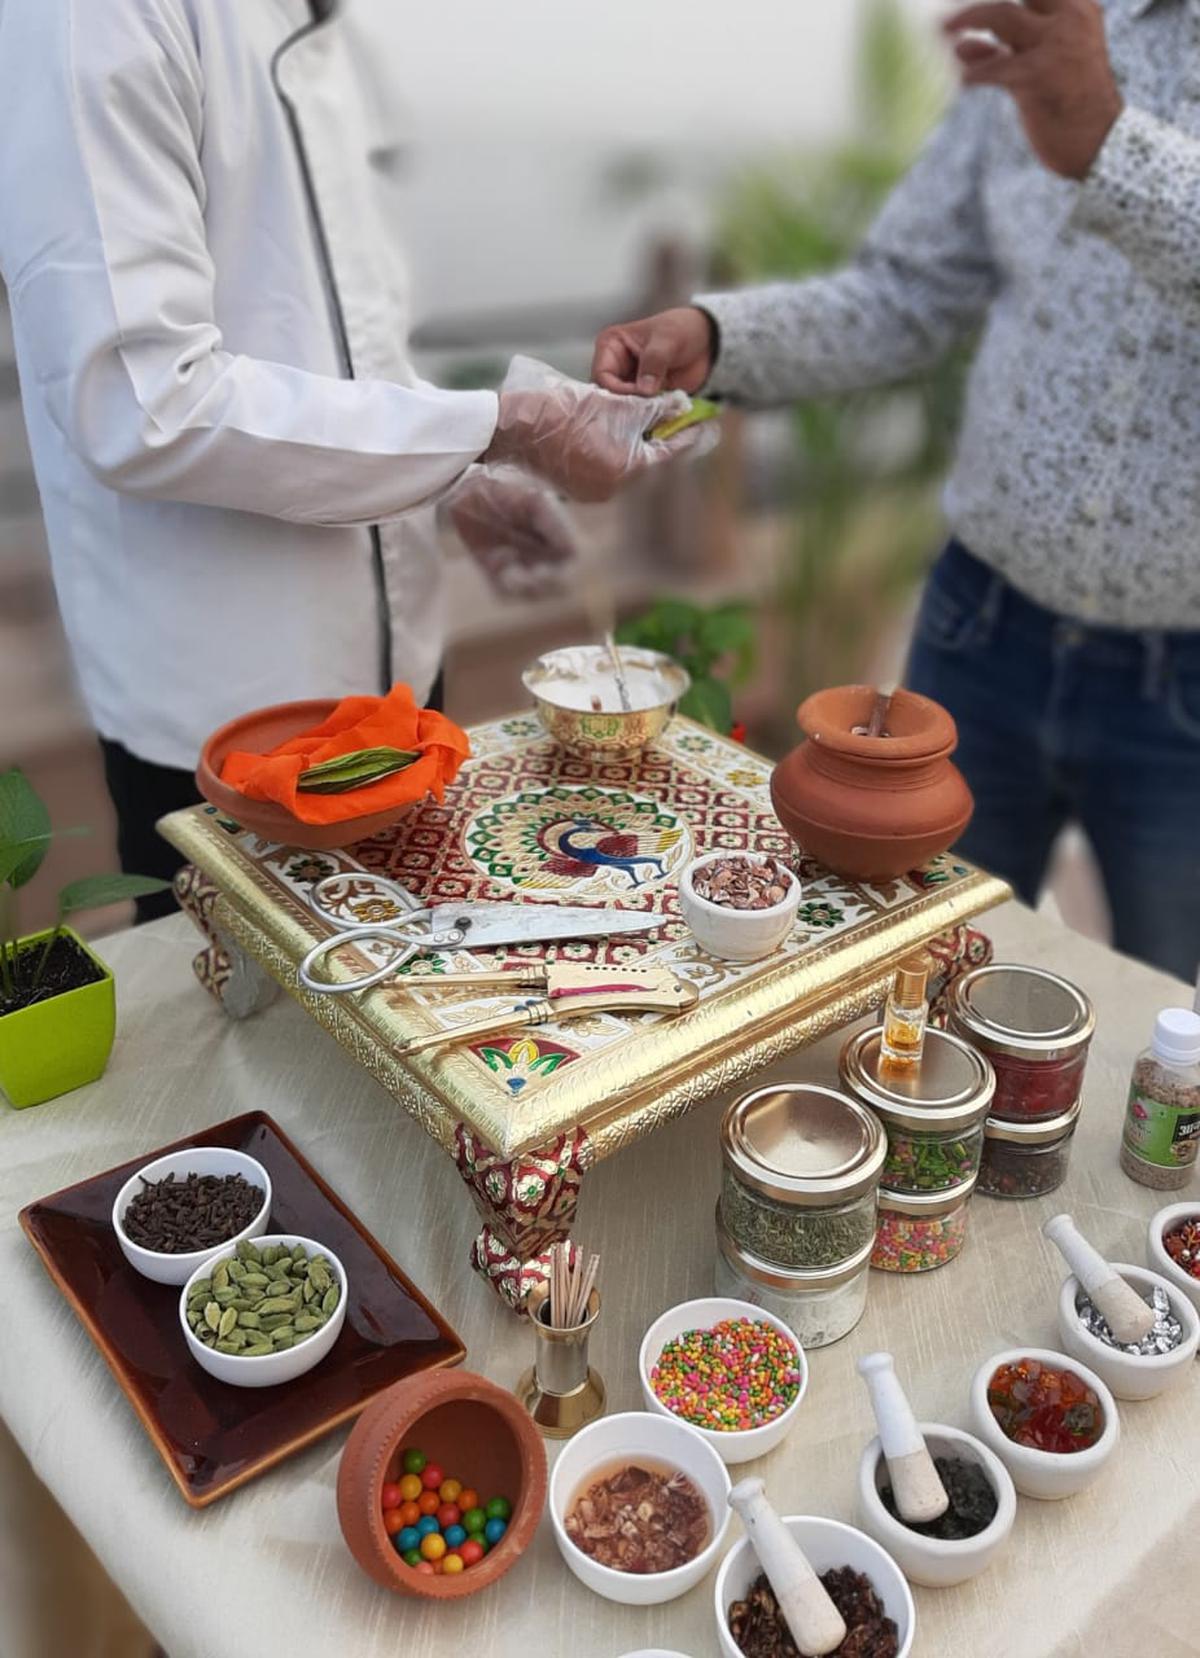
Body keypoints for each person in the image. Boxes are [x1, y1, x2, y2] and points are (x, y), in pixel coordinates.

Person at [0, 0, 705, 920]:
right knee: (256, 1034)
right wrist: (500, 426)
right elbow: (145, 402)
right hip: (235, 722)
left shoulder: (312, 23)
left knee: (416, 1002)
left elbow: (330, 347)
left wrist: (454, 483)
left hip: (403, 683)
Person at [593, 0, 1200, 983]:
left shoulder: (1076, 71)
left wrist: (1108, 142)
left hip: (1185, 693)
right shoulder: (1051, 23)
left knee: (1162, 1022)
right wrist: (722, 339)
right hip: (982, 634)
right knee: (909, 967)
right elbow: (907, 294)